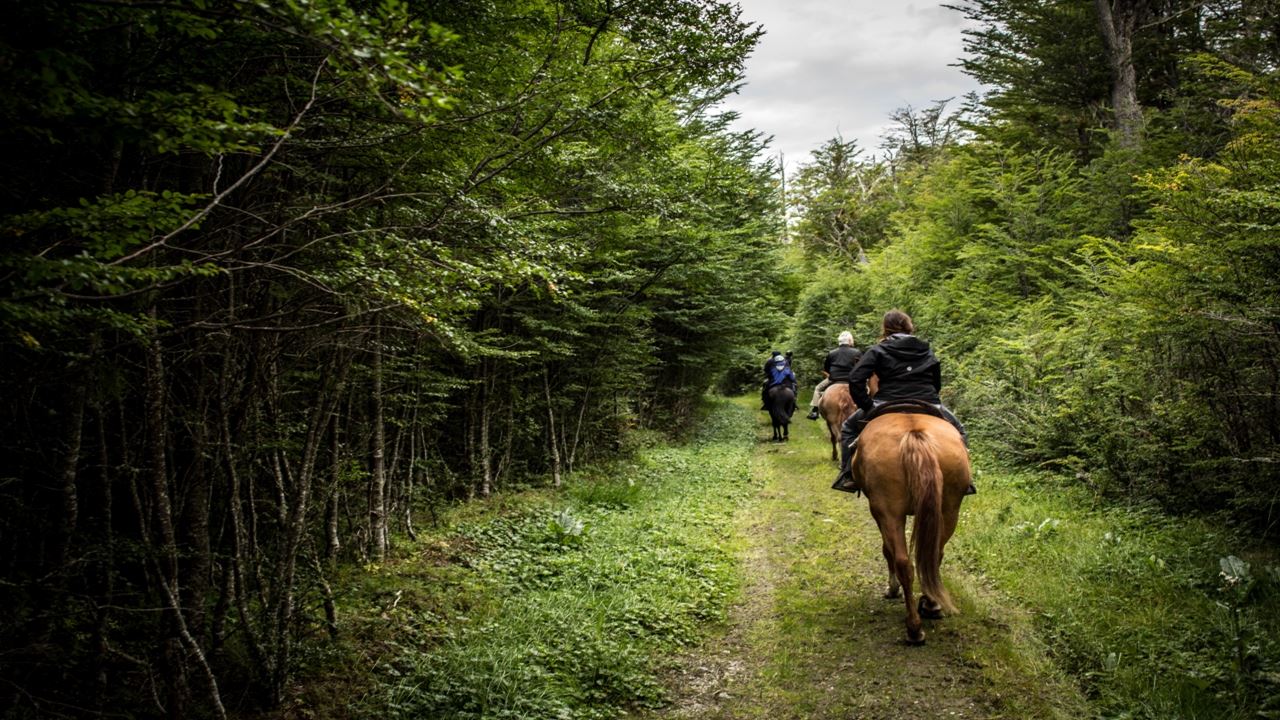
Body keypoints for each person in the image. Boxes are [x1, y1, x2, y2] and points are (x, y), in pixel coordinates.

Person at [833, 310, 974, 494]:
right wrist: (930, 399)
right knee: (960, 430)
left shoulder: (879, 350)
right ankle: (966, 480)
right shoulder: (926, 349)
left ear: (886, 328)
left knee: (848, 428)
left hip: (886, 401)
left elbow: (856, 378)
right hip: (927, 401)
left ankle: (848, 475)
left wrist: (867, 405)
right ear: (909, 326)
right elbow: (936, 382)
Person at [805, 331, 862, 420]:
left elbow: (826, 369)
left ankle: (815, 411)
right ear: (850, 341)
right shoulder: (857, 352)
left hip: (834, 379)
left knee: (817, 388)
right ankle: (868, 409)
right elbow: (860, 368)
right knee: (866, 390)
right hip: (851, 380)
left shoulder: (832, 353)